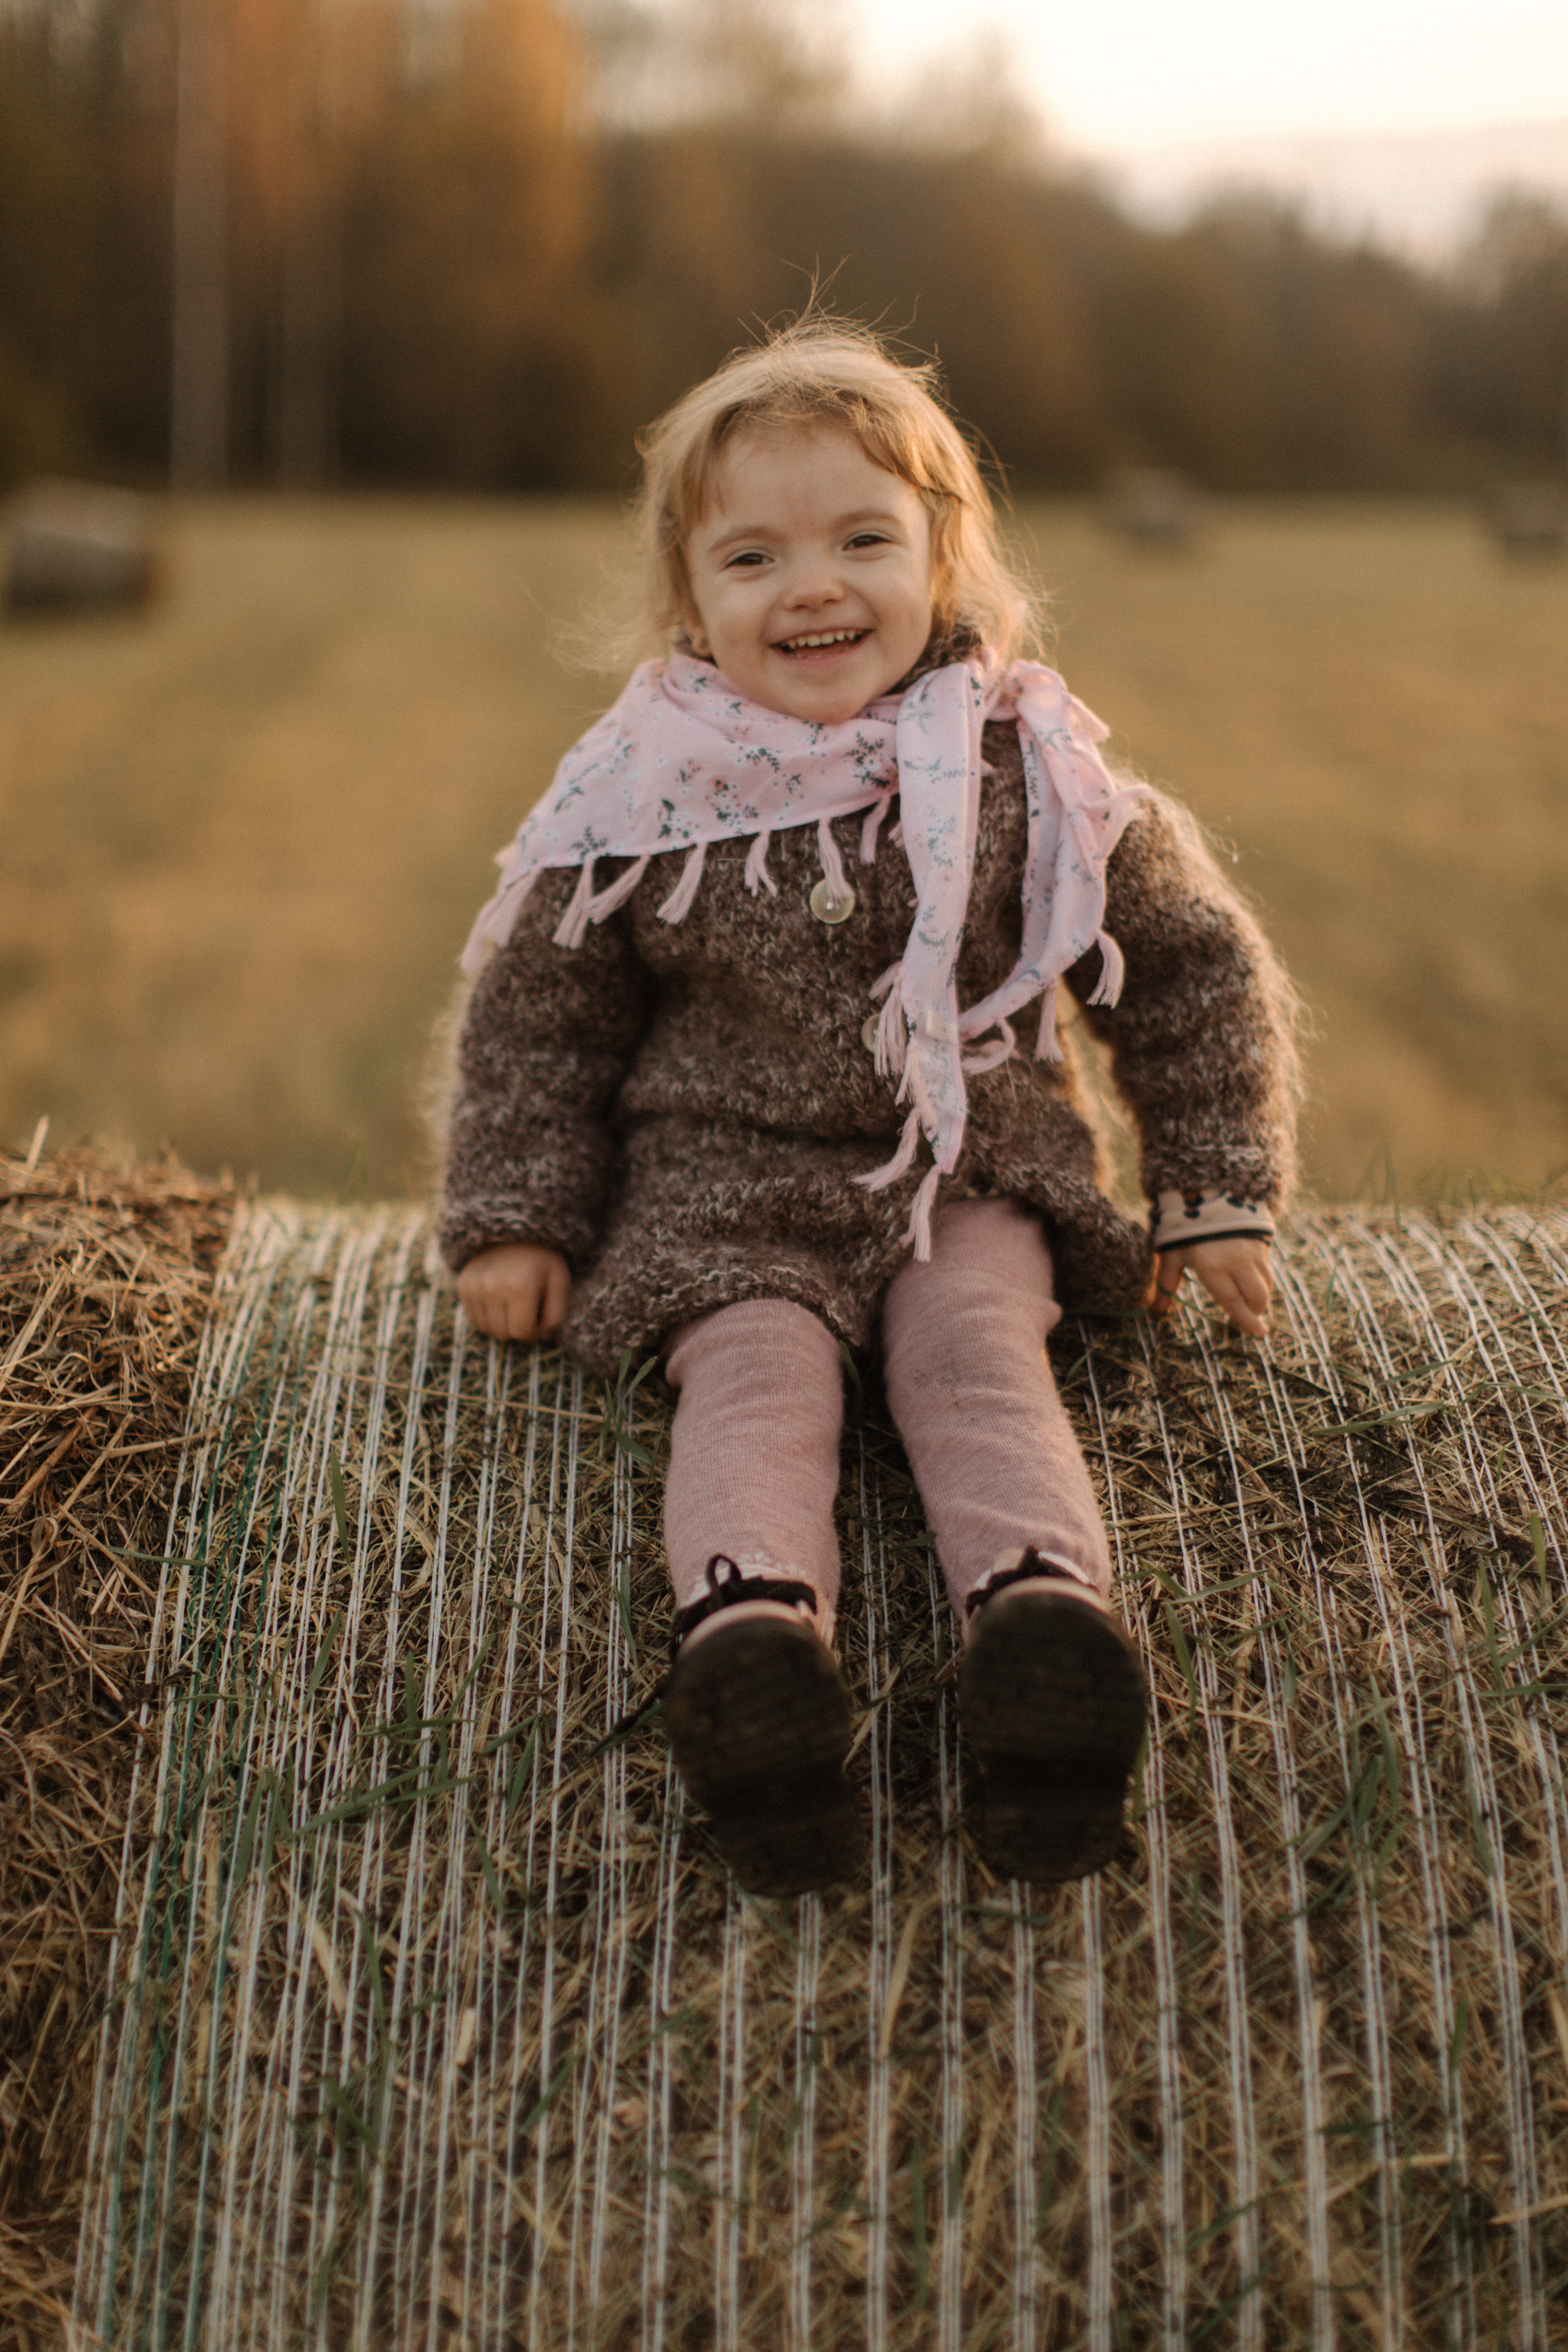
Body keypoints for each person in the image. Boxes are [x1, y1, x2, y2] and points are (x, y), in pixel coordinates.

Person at [439, 318, 1298, 1900]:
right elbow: (535, 1027)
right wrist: (514, 1216)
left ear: (942, 556)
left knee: (975, 1353)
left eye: (860, 539)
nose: (811, 585)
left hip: (970, 1173)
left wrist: (1213, 1183)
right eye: (752, 556)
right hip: (719, 1197)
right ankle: (751, 1654)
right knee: (754, 1381)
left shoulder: (1025, 762)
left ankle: (1045, 1639)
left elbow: (1184, 971)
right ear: (689, 599)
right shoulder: (640, 796)